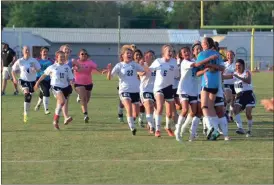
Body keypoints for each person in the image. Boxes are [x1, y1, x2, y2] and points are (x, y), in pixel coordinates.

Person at [175, 46, 218, 142]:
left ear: (191, 52)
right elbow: (198, 64)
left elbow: (198, 71)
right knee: (185, 110)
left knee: (194, 112)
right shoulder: (185, 62)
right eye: (184, 52)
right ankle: (177, 132)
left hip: (193, 90)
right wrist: (210, 58)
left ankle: (185, 129)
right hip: (184, 89)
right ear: (181, 55)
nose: (186, 53)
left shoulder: (194, 60)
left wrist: (206, 70)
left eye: (187, 51)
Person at [105, 47, 146, 135]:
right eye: (127, 53)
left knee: (136, 113)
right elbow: (109, 78)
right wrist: (109, 71)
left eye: (130, 53)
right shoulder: (119, 65)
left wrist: (142, 68)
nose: (129, 54)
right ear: (122, 55)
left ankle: (131, 120)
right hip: (124, 90)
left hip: (135, 90)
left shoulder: (135, 64)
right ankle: (132, 128)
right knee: (128, 108)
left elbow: (143, 72)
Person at [34, 50, 74, 130]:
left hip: (65, 87)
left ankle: (55, 120)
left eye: (63, 57)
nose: (62, 58)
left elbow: (70, 78)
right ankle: (57, 119)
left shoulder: (67, 67)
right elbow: (44, 75)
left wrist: (72, 83)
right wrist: (37, 83)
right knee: (62, 101)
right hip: (56, 87)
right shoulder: (52, 67)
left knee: (60, 104)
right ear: (57, 58)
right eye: (60, 57)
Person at [195, 37, 224, 140]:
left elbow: (197, 65)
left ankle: (211, 127)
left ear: (206, 44)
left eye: (203, 43)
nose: (202, 45)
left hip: (207, 82)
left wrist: (208, 63)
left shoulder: (202, 54)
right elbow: (222, 68)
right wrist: (213, 65)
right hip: (216, 83)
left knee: (204, 106)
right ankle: (216, 130)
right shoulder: (217, 54)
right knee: (211, 107)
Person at [149, 44, 179, 137]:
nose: (170, 53)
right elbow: (149, 70)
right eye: (168, 51)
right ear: (163, 53)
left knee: (169, 113)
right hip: (159, 88)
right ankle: (157, 130)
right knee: (160, 106)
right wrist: (142, 70)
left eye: (172, 51)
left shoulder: (174, 62)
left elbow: (177, 75)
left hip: (169, 88)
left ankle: (167, 127)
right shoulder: (158, 61)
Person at [223, 59, 256, 137]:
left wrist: (238, 77)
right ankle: (240, 128)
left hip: (248, 95)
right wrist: (218, 73)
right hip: (240, 96)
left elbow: (248, 80)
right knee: (235, 109)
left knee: (248, 114)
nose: (237, 67)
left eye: (239, 66)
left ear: (243, 66)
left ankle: (249, 130)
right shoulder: (234, 74)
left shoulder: (246, 72)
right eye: (236, 66)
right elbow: (224, 77)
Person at [11, 46, 41, 123]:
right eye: (26, 50)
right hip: (23, 81)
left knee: (29, 97)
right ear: (23, 51)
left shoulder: (33, 60)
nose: (27, 51)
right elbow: (13, 70)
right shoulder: (20, 61)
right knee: (27, 94)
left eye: (28, 50)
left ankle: (26, 111)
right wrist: (14, 79)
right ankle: (25, 114)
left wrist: (35, 70)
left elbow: (39, 69)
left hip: (32, 81)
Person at [73, 49, 97, 123]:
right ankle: (85, 115)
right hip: (78, 83)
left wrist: (103, 71)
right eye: (82, 54)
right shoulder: (75, 62)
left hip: (89, 84)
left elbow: (96, 68)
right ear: (79, 55)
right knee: (83, 98)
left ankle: (79, 98)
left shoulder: (90, 62)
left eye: (85, 54)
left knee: (86, 100)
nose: (84, 55)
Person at [138, 50, 156, 134]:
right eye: (147, 55)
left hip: (156, 90)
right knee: (148, 105)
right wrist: (143, 66)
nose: (148, 57)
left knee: (155, 109)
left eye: (150, 55)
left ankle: (150, 123)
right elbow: (142, 73)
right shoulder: (141, 65)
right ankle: (152, 126)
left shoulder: (157, 65)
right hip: (145, 89)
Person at [34, 47, 53, 115]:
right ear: (41, 52)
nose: (45, 53)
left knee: (43, 92)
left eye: (46, 51)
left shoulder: (51, 61)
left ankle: (38, 104)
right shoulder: (37, 60)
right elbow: (32, 66)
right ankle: (46, 109)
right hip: (40, 79)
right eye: (44, 51)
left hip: (49, 79)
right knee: (46, 91)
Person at [223, 50, 236, 122]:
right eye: (228, 55)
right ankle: (226, 112)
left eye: (231, 55)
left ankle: (230, 116)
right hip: (226, 84)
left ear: (234, 56)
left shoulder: (236, 65)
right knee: (228, 99)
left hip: (235, 84)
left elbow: (236, 75)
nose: (229, 56)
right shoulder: (224, 64)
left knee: (233, 102)